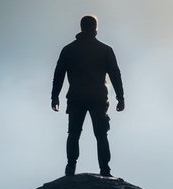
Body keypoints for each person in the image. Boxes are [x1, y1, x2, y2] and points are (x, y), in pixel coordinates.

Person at [51, 15, 125, 176]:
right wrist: (121, 97)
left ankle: (70, 167)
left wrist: (54, 96)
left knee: (73, 133)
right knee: (101, 134)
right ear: (95, 29)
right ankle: (105, 170)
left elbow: (59, 74)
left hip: (76, 97)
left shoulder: (69, 49)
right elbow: (115, 75)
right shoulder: (105, 50)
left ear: (81, 27)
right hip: (98, 98)